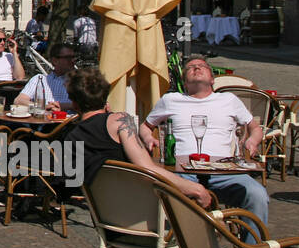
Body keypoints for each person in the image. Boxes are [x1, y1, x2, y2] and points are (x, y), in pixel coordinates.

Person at [140, 56, 267, 226]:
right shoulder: (170, 100)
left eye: (202, 66)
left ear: (212, 79)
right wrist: (149, 138)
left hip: (223, 170)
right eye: (191, 67)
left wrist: (252, 141)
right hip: (182, 171)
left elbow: (255, 128)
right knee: (171, 196)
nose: (197, 68)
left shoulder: (228, 99)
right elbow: (145, 126)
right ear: (185, 82)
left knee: (257, 194)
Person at [64, 67, 212, 204]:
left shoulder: (72, 136)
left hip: (105, 215)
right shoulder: (118, 121)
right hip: (143, 210)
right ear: (106, 98)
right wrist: (195, 188)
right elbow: (145, 169)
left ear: (75, 104)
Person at [14, 42, 76, 108]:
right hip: (42, 116)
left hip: (70, 117)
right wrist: (42, 107)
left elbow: (85, 105)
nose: (73, 60)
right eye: (68, 58)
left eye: (74, 57)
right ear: (55, 61)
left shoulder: (78, 81)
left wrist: (61, 106)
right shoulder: (39, 79)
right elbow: (18, 101)